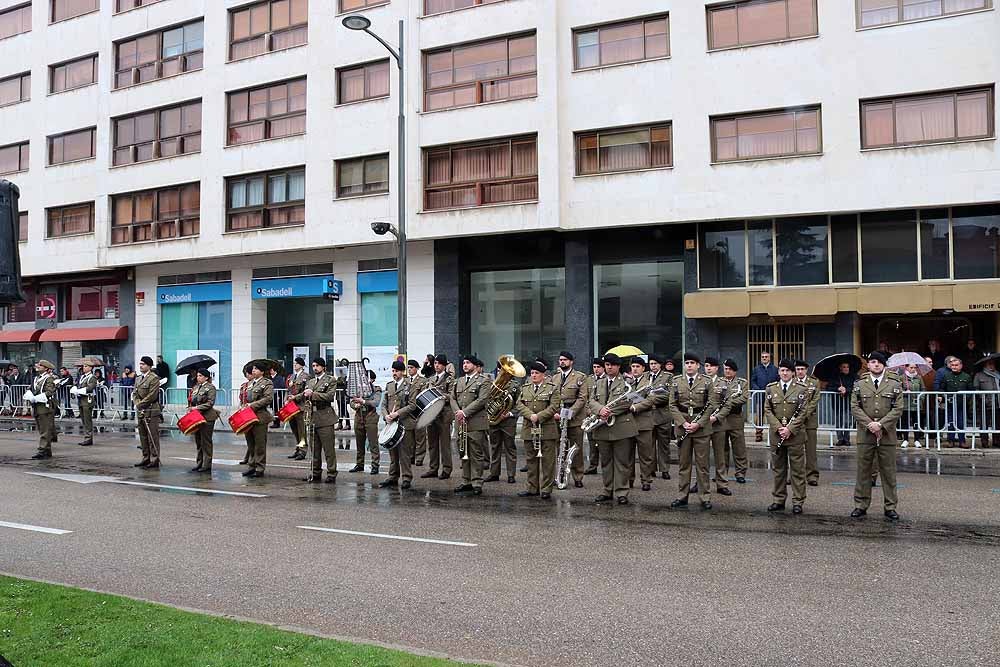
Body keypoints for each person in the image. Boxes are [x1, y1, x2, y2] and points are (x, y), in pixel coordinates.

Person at [850, 351, 903, 521]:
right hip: (866, 434)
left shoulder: (894, 383)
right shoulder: (860, 384)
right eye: (873, 362)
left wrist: (881, 424)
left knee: (888, 472)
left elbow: (898, 408)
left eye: (879, 362)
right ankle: (860, 505)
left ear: (884, 365)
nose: (876, 365)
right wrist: (870, 425)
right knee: (863, 472)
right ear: (869, 365)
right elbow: (855, 407)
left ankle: (890, 506)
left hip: (886, 435)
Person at [669, 353, 718, 510]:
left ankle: (705, 497)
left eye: (692, 363)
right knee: (684, 463)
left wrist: (698, 423)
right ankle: (682, 496)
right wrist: (683, 423)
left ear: (698, 365)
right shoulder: (676, 381)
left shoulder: (707, 381)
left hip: (701, 428)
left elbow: (711, 404)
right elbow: (672, 405)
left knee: (702, 464)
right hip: (683, 426)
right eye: (687, 363)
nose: (689, 365)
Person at [764, 359, 809, 514]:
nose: (785, 373)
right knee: (778, 469)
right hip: (777, 436)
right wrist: (778, 428)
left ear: (793, 373)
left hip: (795, 436)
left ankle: (798, 501)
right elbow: (768, 410)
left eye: (788, 371)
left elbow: (803, 412)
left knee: (797, 471)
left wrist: (789, 428)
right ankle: (778, 499)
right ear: (779, 372)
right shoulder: (771, 389)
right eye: (782, 370)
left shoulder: (802, 389)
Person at [516, 361, 561, 500]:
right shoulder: (525, 388)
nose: (534, 375)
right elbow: (519, 404)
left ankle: (546, 488)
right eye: (532, 373)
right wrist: (530, 415)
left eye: (537, 373)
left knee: (548, 461)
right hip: (529, 428)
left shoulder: (552, 388)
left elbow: (554, 406)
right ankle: (532, 487)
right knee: (531, 460)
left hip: (547, 429)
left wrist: (539, 416)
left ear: (543, 375)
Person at [450, 355, 491, 496]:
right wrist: (458, 412)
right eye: (464, 363)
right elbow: (452, 398)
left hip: (476, 422)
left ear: (475, 365)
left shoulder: (483, 381)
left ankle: (477, 481)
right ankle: (466, 480)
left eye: (468, 363)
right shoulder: (459, 381)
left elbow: (482, 400)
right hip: (461, 422)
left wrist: (465, 412)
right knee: (463, 452)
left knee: (476, 453)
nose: (465, 365)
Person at [303, 358, 340, 484]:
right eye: (313, 366)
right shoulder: (311, 381)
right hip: (313, 416)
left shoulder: (330, 380)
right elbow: (304, 394)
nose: (315, 368)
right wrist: (294, 397)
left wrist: (312, 394)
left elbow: (329, 396)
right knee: (314, 449)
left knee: (328, 449)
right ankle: (315, 473)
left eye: (317, 366)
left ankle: (331, 473)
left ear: (323, 367)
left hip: (325, 416)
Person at [554, 351, 588, 488]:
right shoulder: (554, 378)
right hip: (557, 417)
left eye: (565, 360)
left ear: (571, 362)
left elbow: (582, 398)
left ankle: (578, 476)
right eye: (561, 360)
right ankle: (559, 475)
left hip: (574, 418)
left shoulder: (580, 377)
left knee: (575, 448)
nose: (562, 362)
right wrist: (555, 413)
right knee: (559, 448)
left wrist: (569, 413)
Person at [383, 361, 415, 489]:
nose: (394, 373)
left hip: (404, 423)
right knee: (393, 452)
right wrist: (386, 415)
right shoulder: (389, 385)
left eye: (396, 371)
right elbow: (384, 404)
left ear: (402, 372)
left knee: (404, 452)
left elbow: (412, 405)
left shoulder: (409, 385)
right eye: (393, 371)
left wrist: (397, 414)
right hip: (391, 424)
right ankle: (392, 477)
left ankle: (406, 477)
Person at [640, 353, 673, 482]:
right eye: (651, 364)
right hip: (648, 415)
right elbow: (641, 393)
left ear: (660, 365)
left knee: (664, 444)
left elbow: (668, 395)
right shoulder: (645, 376)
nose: (653, 366)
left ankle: (665, 469)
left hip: (663, 414)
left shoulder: (668, 376)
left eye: (655, 364)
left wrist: (650, 398)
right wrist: (649, 398)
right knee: (649, 444)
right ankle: (650, 469)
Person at [486, 360, 518, 484]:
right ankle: (494, 473)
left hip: (508, 421)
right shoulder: (492, 384)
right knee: (494, 447)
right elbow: (488, 401)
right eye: (499, 370)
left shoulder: (515, 386)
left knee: (510, 447)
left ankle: (511, 474)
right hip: (494, 420)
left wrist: (510, 413)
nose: (501, 372)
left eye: (503, 370)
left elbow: (519, 403)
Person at [626, 356, 656, 491]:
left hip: (644, 423)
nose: (635, 369)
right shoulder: (627, 383)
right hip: (628, 423)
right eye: (633, 367)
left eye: (638, 366)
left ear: (643, 368)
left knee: (645, 455)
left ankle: (646, 480)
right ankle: (629, 480)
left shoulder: (649, 383)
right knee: (627, 455)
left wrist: (635, 407)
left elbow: (650, 400)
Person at [422, 354, 454, 480]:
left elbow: (452, 396)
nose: (436, 365)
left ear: (444, 365)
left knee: (445, 444)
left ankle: (446, 469)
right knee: (432, 443)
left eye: (439, 363)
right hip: (431, 414)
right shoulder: (430, 379)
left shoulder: (449, 379)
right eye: (435, 363)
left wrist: (439, 395)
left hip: (444, 414)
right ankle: (433, 468)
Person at [703, 357, 731, 497]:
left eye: (711, 366)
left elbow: (728, 404)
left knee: (720, 455)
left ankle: (722, 484)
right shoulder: (699, 381)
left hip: (718, 423)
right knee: (702, 456)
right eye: (706, 366)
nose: (708, 368)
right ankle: (701, 483)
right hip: (702, 424)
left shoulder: (723, 383)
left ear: (717, 368)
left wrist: (716, 417)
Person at [718, 359, 749, 483]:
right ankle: (722, 472)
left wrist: (728, 403)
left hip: (735, 418)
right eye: (725, 369)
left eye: (730, 369)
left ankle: (740, 473)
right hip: (722, 418)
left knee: (739, 447)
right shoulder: (719, 382)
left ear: (735, 371)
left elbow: (744, 398)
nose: (727, 371)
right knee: (722, 447)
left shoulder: (742, 383)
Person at [242, 360, 274, 477]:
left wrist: (252, 405)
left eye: (256, 369)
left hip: (260, 416)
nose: (253, 371)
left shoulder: (267, 383)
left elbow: (268, 398)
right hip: (248, 416)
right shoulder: (250, 384)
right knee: (250, 443)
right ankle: (252, 465)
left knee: (259, 443)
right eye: (253, 369)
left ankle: (260, 468)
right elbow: (245, 398)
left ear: (261, 371)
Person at [794, 360, 822, 486]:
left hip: (810, 421)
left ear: (806, 370)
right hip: (795, 422)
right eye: (798, 369)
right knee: (795, 450)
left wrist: (804, 414)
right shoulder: (792, 382)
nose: (800, 371)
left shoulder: (814, 383)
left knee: (810, 450)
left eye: (802, 369)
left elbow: (815, 400)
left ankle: (812, 476)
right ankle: (795, 475)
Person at [348, 370, 382, 475]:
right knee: (359, 442)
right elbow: (351, 401)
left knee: (373, 443)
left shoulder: (376, 389)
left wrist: (363, 402)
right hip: (359, 416)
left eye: (367, 378)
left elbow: (376, 402)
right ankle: (359, 464)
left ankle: (375, 465)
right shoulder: (358, 389)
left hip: (370, 416)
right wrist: (355, 405)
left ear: (372, 379)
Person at [132, 356, 163, 469]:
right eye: (140, 364)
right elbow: (134, 393)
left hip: (151, 409)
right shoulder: (138, 378)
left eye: (143, 364)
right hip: (141, 410)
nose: (141, 366)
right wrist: (137, 403)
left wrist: (140, 404)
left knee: (152, 435)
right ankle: (146, 457)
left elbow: (152, 395)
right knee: (143, 435)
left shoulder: (153, 378)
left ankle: (155, 459)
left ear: (149, 366)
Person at [938, 356, 973, 448]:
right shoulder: (946, 376)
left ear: (961, 366)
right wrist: (942, 396)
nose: (954, 367)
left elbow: (971, 390)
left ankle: (962, 441)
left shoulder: (966, 376)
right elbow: (941, 388)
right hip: (950, 403)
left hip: (961, 404)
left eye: (956, 365)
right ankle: (950, 440)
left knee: (961, 423)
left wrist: (966, 399)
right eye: (952, 365)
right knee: (950, 422)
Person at [188, 368, 218, 473]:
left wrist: (197, 408)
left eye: (200, 376)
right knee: (198, 441)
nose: (198, 377)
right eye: (197, 375)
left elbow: (210, 403)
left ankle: (207, 464)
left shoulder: (210, 388)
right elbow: (192, 400)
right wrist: (191, 408)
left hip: (207, 417)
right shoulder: (196, 387)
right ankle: (199, 462)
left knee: (206, 441)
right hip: (196, 417)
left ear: (206, 377)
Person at [27, 360, 57, 460]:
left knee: (45, 430)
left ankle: (42, 450)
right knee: (42, 429)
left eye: (40, 365)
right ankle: (47, 451)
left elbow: (49, 392)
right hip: (37, 406)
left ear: (46, 368)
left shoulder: (49, 378)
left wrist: (36, 397)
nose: (38, 366)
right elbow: (33, 389)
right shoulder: (37, 378)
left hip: (45, 407)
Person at [582, 357, 606, 475]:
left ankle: (606, 465)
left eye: (598, 367)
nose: (596, 369)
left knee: (603, 441)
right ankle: (592, 465)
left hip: (603, 414)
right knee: (592, 442)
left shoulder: (607, 379)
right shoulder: (589, 379)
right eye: (594, 367)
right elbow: (585, 397)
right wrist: (588, 410)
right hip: (591, 414)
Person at [285, 358, 311, 460]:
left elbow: (306, 391)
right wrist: (286, 400)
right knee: (295, 430)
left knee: (302, 430)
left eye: (296, 364)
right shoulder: (292, 376)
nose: (294, 365)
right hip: (291, 407)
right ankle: (298, 448)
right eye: (294, 363)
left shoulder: (306, 376)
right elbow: (288, 390)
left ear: (301, 365)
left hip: (301, 406)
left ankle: (303, 451)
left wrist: (295, 397)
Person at [405, 360, 429, 466]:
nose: (410, 369)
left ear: (417, 369)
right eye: (408, 367)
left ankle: (419, 458)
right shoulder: (405, 381)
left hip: (419, 412)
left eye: (412, 367)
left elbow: (424, 396)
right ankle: (411, 456)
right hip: (408, 412)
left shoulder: (423, 381)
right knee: (409, 437)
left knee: (420, 437)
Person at [751, 351, 779, 442]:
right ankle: (759, 434)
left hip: (772, 396)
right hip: (760, 396)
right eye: (762, 357)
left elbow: (778, 381)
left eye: (766, 357)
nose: (764, 358)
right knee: (759, 415)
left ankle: (775, 433)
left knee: (774, 415)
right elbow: (753, 381)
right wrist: (758, 389)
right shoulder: (756, 369)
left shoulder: (775, 369)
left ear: (769, 358)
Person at [973, 357, 1000, 449]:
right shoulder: (979, 375)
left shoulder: (998, 374)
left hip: (997, 403)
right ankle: (984, 441)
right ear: (985, 365)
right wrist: (982, 398)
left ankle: (997, 440)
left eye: (993, 363)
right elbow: (976, 388)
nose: (992, 365)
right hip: (985, 403)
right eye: (989, 364)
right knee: (984, 423)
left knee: (997, 423)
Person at [898, 364, 924, 449]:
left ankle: (917, 439)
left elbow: (923, 389)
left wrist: (921, 398)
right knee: (905, 422)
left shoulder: (919, 377)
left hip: (916, 404)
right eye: (911, 367)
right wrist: (904, 391)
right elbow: (898, 389)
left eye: (915, 367)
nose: (913, 369)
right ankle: (905, 439)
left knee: (916, 422)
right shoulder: (902, 377)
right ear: (906, 368)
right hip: (906, 404)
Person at [74, 362, 98, 447]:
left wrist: (79, 391)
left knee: (87, 420)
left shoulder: (92, 377)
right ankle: (87, 436)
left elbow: (90, 388)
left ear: (91, 368)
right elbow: (78, 385)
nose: (84, 368)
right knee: (84, 419)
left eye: (86, 366)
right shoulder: (82, 376)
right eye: (83, 366)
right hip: (81, 400)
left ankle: (88, 438)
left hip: (87, 400)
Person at [834, 362, 857, 445]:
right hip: (837, 403)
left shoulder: (853, 377)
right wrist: (838, 388)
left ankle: (846, 439)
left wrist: (846, 390)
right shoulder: (835, 377)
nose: (846, 368)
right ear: (840, 368)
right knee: (838, 422)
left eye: (847, 367)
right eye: (844, 367)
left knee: (848, 421)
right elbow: (829, 387)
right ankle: (840, 439)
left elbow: (855, 387)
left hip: (848, 403)